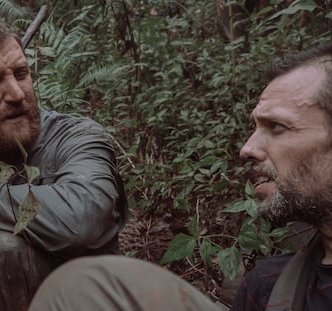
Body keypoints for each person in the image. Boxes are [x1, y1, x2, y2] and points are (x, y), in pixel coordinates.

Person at [27, 42, 332, 311]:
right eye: (255, 127)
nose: (247, 149)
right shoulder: (268, 287)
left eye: (276, 127)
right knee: (81, 288)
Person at [0, 14, 127, 311]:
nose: (17, 94)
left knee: (2, 251)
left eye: (20, 73)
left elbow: (83, 216)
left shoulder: (77, 139)